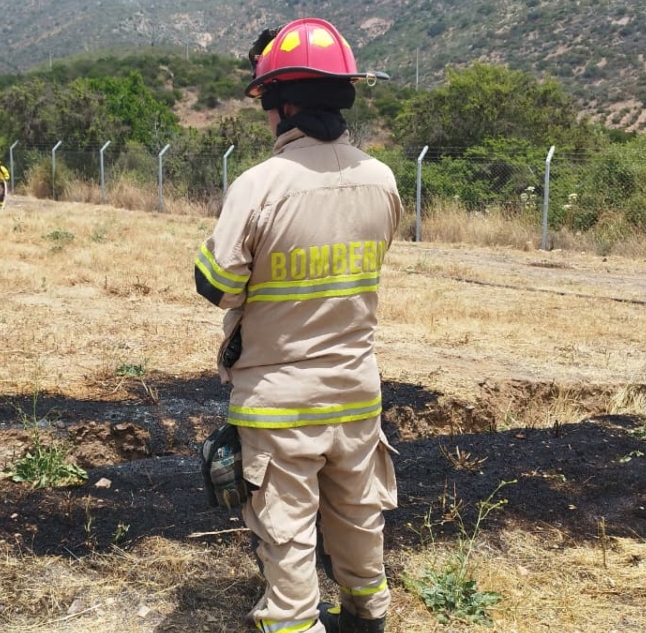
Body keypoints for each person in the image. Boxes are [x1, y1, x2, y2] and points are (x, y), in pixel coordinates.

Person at [194, 17, 402, 633]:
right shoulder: (383, 179)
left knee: (285, 529)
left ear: (283, 104)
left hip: (278, 402)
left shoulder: (261, 185)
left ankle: (292, 622)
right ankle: (369, 615)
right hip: (356, 392)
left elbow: (217, 284)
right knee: (359, 513)